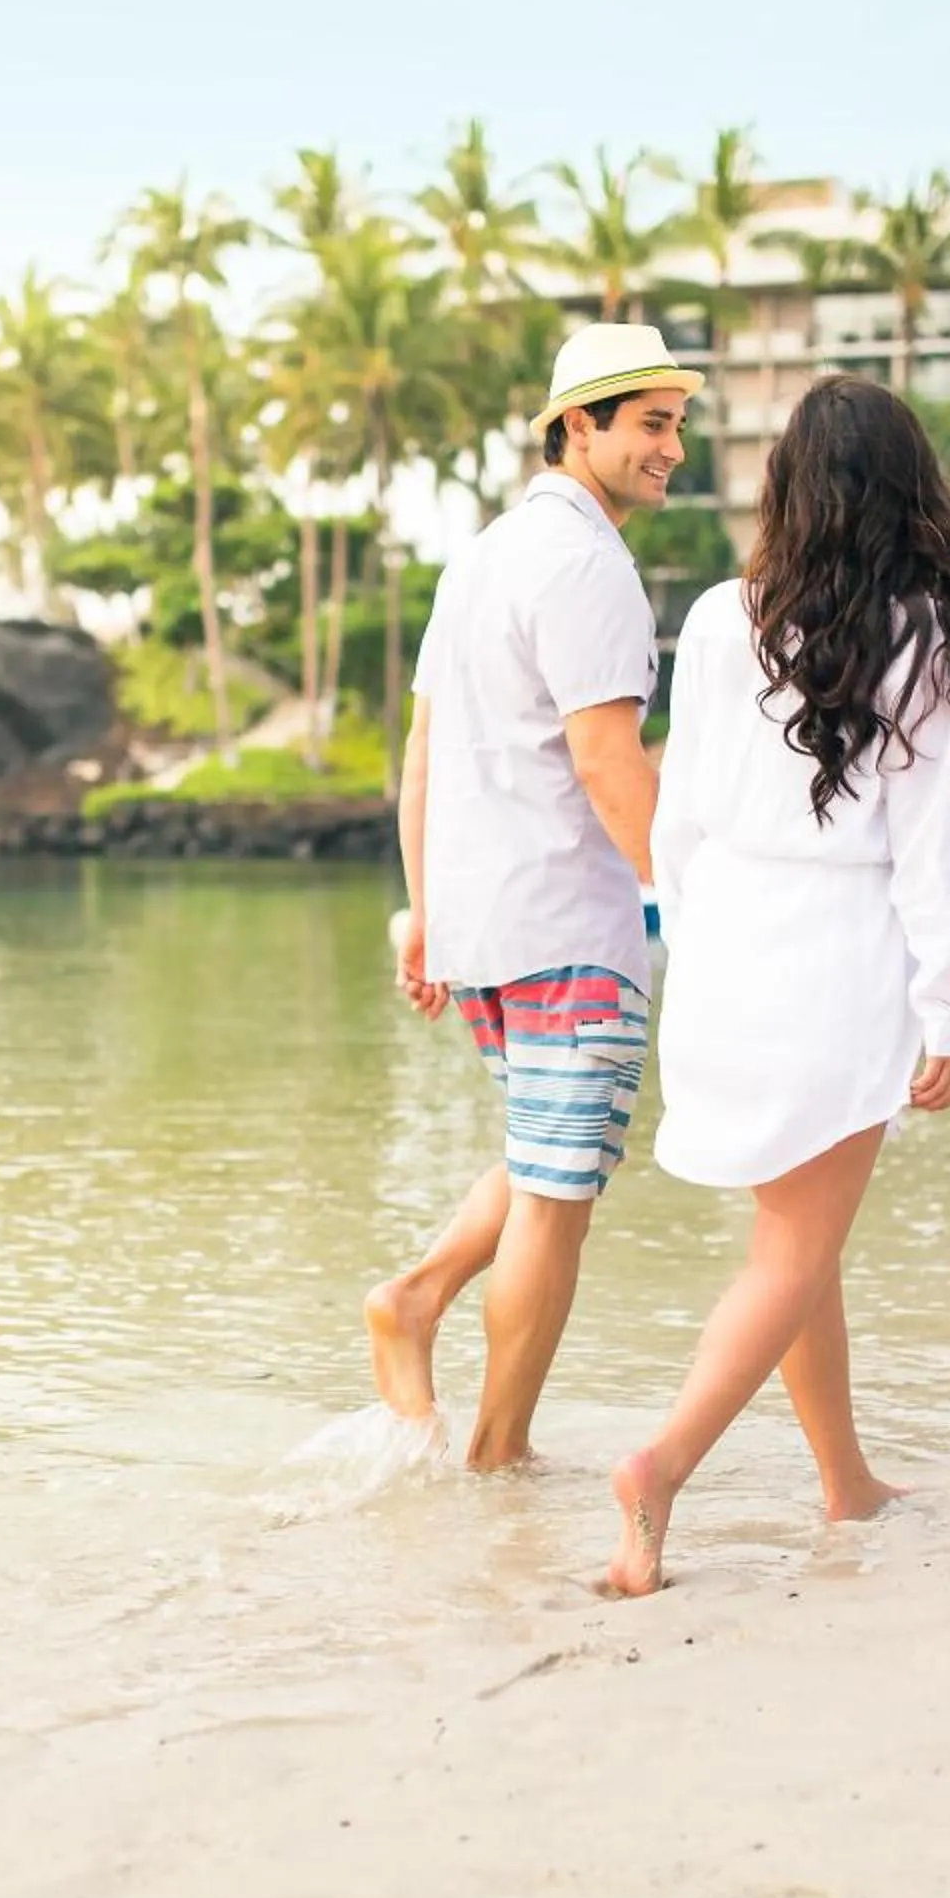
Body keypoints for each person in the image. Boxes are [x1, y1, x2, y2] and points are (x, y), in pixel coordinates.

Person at [604, 374, 950, 1596]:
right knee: (793, 1247)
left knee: (798, 1242)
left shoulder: (726, 614)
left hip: (732, 942)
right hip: (838, 952)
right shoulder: (920, 625)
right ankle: (662, 1465)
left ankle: (846, 1482)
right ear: (907, 486)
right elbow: (932, 840)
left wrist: (684, 936)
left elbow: (683, 805)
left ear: (792, 482)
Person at [363, 322, 692, 1471]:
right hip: (564, 924)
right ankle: (499, 1456)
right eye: (651, 424)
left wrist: (424, 920)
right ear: (578, 426)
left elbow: (424, 753)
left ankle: (416, 1300)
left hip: (486, 927)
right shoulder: (588, 562)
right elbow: (609, 761)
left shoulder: (480, 556)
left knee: (545, 1150)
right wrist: (701, 911)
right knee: (561, 1193)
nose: (672, 449)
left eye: (677, 425)